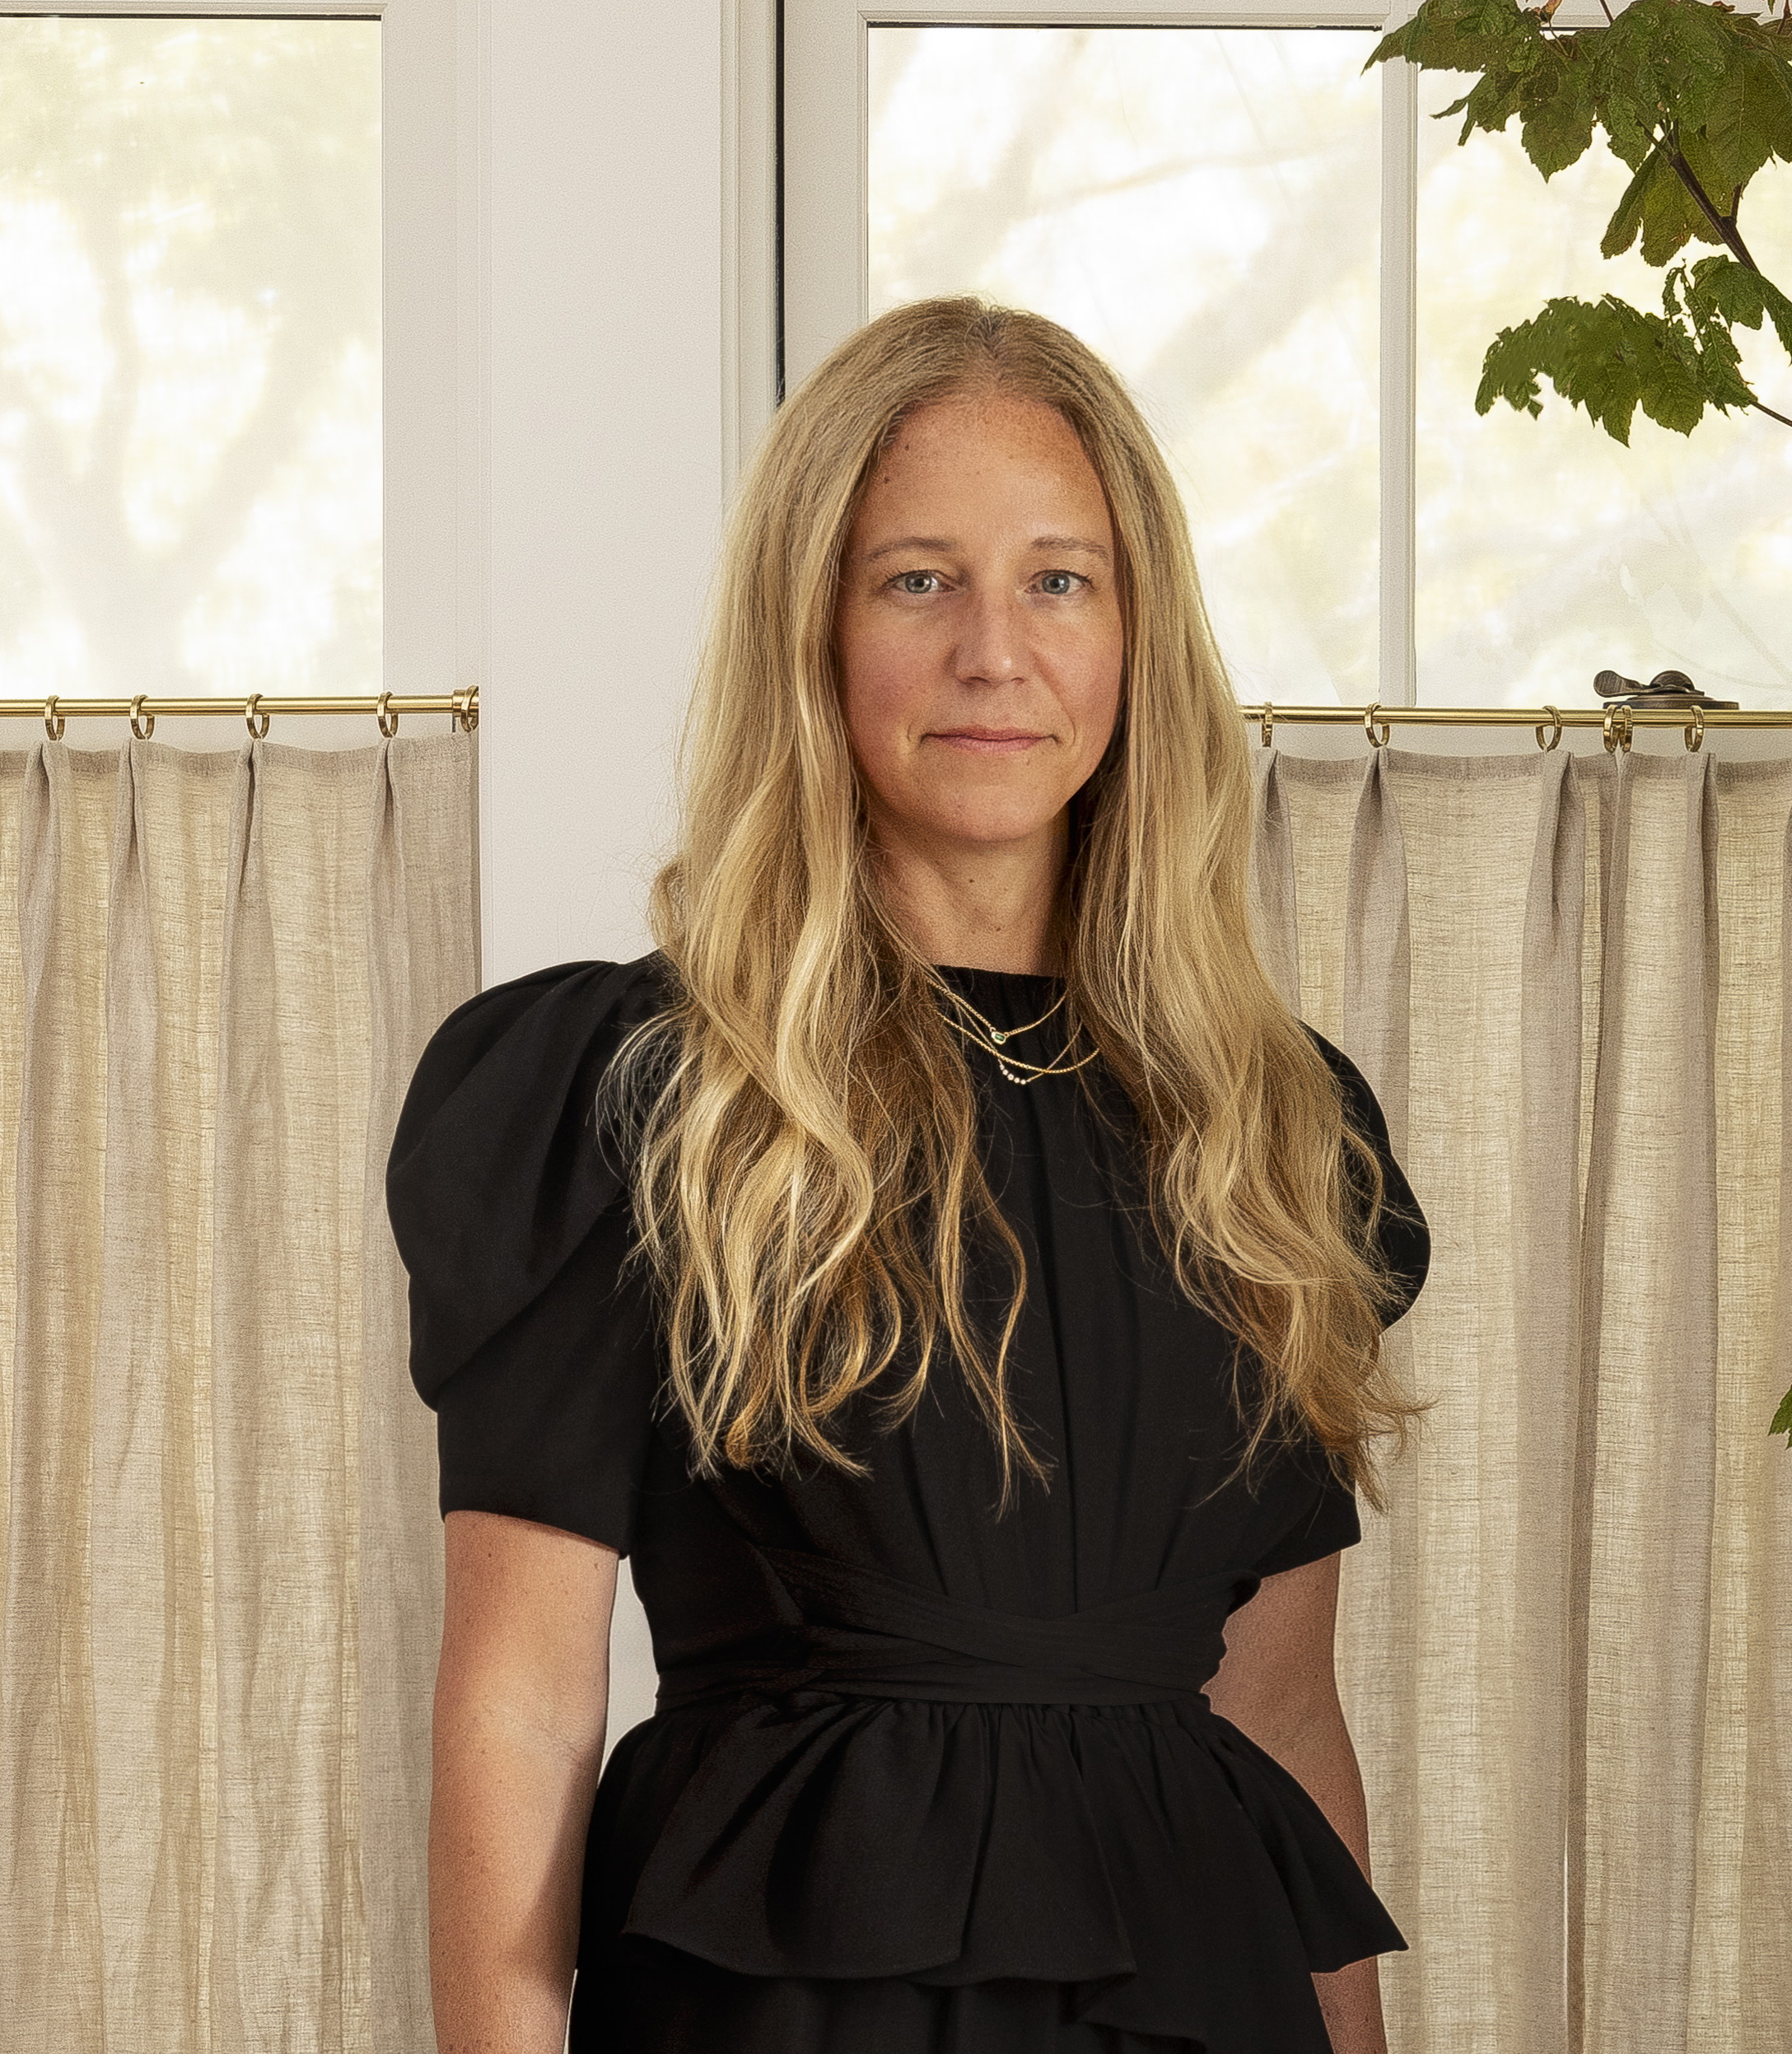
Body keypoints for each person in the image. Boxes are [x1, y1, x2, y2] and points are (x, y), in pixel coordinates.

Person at [388, 296, 1430, 2054]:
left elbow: (1279, 1708)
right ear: (813, 628)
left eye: (1057, 579)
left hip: (1191, 1989)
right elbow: (519, 1702)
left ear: (1135, 635)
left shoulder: (1273, 1134)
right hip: (771, 2000)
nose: (991, 652)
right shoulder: (629, 1095)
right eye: (915, 579)